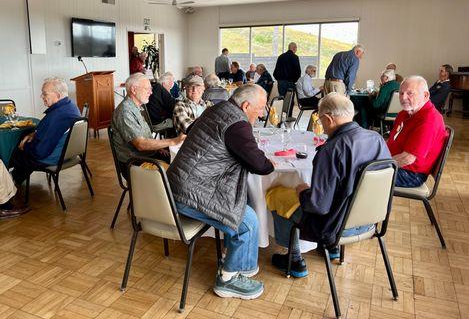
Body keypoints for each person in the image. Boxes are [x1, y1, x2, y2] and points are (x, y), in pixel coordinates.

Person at [167, 84, 275, 299]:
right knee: (248, 221)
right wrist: (269, 163)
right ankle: (228, 279)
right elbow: (258, 164)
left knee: (243, 207)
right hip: (190, 194)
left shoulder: (217, 109)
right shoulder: (237, 123)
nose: (262, 113)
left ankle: (235, 262)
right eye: (261, 108)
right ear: (246, 105)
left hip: (179, 185)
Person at [271, 93, 391, 276]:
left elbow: (317, 206)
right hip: (370, 221)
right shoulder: (376, 139)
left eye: (320, 120)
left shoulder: (332, 149)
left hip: (335, 226)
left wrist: (303, 191)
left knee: (277, 195)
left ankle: (294, 260)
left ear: (328, 118)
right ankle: (332, 249)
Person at [10, 78, 82, 187]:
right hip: (67, 153)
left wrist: (24, 146)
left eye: (44, 94)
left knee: (10, 153)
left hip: (51, 158)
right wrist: (34, 134)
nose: (41, 97)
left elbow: (40, 153)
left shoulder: (56, 116)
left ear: (57, 95)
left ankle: (4, 186)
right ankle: (14, 179)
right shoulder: (71, 106)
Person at [111, 73, 185, 178]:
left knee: (181, 163)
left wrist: (157, 148)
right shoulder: (125, 112)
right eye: (147, 89)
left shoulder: (136, 107)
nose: (151, 93)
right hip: (133, 164)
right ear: (134, 90)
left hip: (146, 156)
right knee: (176, 174)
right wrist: (173, 141)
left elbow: (144, 137)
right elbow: (140, 144)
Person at [386, 76, 447, 187]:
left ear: (425, 95)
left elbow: (408, 159)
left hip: (411, 174)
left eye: (410, 93)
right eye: (401, 93)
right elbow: (392, 140)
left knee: (358, 173)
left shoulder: (429, 119)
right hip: (396, 164)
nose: (403, 98)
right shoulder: (404, 113)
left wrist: (378, 163)